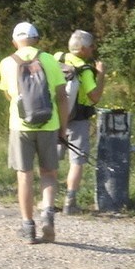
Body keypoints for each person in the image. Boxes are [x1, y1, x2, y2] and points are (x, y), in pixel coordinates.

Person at [0, 21, 68, 244]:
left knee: (24, 176)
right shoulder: (49, 59)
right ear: (37, 39)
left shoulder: (7, 63)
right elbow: (62, 96)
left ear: (14, 41)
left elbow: (9, 95)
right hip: (49, 124)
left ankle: (28, 227)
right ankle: (47, 212)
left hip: (20, 127)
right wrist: (63, 129)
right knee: (48, 173)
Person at [55, 29, 106, 215]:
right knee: (77, 161)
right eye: (92, 46)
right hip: (77, 120)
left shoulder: (57, 59)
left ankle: (47, 200)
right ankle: (70, 202)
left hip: (53, 119)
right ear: (83, 48)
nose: (94, 50)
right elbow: (94, 97)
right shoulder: (84, 69)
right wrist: (100, 74)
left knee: (50, 160)